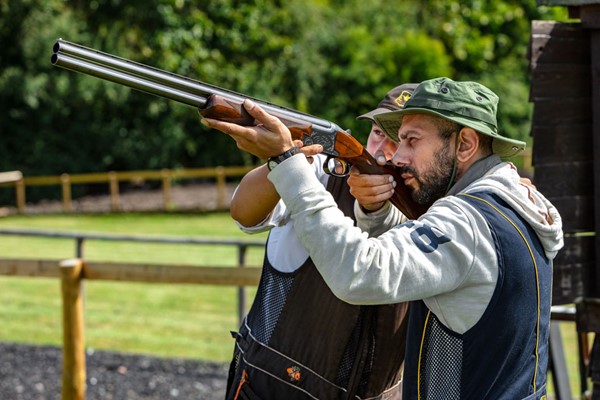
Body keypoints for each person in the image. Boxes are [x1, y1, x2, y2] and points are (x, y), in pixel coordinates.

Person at [200, 77, 564, 399]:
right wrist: (373, 212)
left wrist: (286, 161)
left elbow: (362, 273)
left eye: (409, 141)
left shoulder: (465, 221)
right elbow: (245, 211)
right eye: (386, 135)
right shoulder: (509, 204)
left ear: (465, 144)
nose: (397, 156)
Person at [223, 84, 417, 400]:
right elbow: (243, 212)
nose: (384, 148)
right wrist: (282, 161)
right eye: (379, 132)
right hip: (274, 389)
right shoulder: (319, 171)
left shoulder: (436, 205)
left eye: (403, 139)